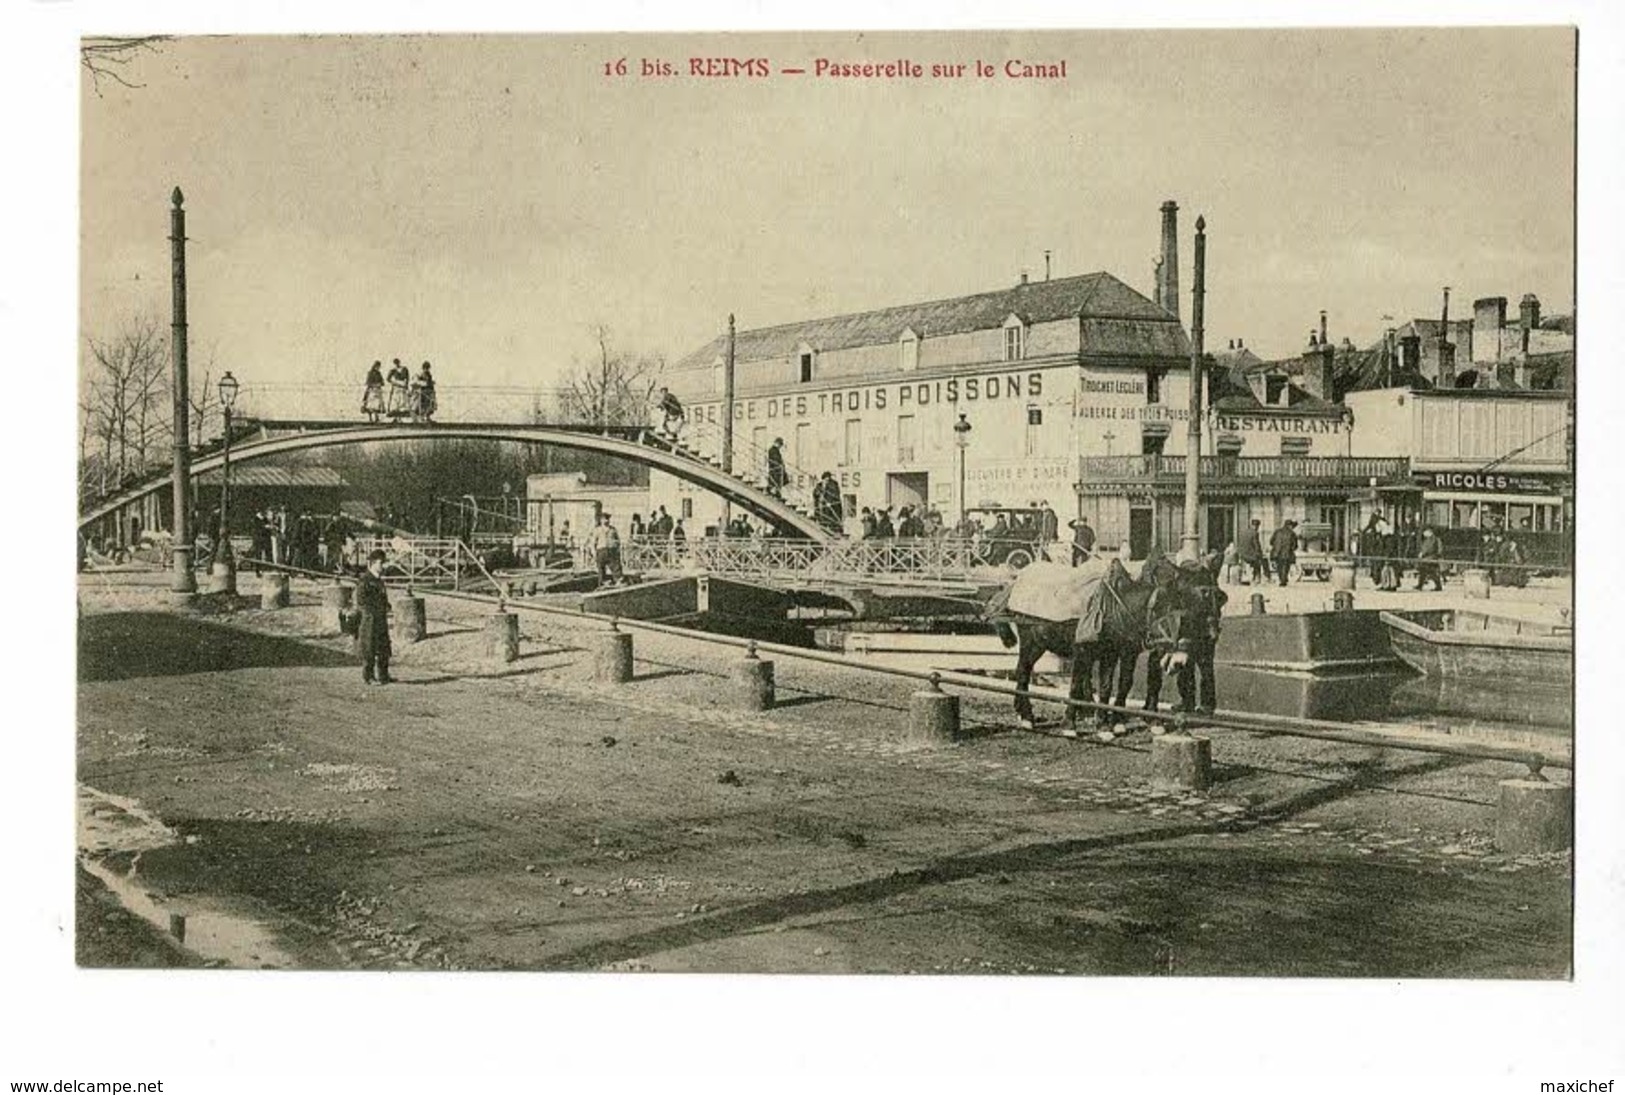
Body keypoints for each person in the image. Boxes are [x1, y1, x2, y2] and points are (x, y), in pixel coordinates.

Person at [356, 549, 394, 686]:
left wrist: (387, 606)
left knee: (384, 647)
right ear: (372, 563)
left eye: (384, 563)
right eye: (380, 563)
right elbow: (361, 600)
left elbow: (383, 598)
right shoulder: (365, 580)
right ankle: (369, 676)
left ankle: (384, 675)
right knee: (369, 647)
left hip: (380, 618)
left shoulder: (379, 581)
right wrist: (373, 609)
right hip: (370, 619)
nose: (383, 566)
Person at [587, 513, 622, 587]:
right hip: (601, 550)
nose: (606, 520)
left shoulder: (613, 529)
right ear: (601, 520)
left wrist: (617, 548)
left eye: (607, 519)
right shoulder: (597, 530)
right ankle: (603, 582)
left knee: (615, 566)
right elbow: (593, 542)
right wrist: (593, 552)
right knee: (601, 567)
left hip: (612, 550)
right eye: (604, 519)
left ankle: (618, 580)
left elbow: (618, 540)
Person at [1235, 517, 1266, 585]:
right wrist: (1260, 554)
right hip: (1250, 555)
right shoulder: (1255, 533)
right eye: (1257, 526)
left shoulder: (1244, 532)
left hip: (1242, 554)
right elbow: (1256, 545)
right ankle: (1257, 579)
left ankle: (1243, 578)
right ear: (1257, 526)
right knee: (1259, 563)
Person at [1270, 519, 1299, 586]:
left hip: (1276, 553)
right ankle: (1283, 580)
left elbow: (1271, 542)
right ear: (1289, 526)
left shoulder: (1277, 531)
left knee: (1279, 566)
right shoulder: (1292, 534)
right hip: (1287, 553)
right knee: (1285, 567)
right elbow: (1295, 545)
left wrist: (1276, 547)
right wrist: (1291, 549)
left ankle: (1282, 579)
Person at [1414, 527, 1443, 591]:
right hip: (1427, 559)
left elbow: (1429, 548)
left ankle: (1438, 586)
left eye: (1425, 532)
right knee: (1424, 572)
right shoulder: (1428, 539)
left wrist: (1422, 553)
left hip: (1430, 558)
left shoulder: (1433, 539)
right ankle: (1420, 585)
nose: (1424, 534)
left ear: (1429, 532)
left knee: (1432, 573)